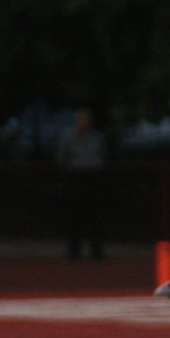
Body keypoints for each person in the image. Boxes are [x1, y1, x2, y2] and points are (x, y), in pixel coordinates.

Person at [56, 107, 107, 260]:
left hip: (93, 178)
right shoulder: (69, 137)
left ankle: (96, 251)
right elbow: (61, 158)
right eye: (80, 120)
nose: (83, 122)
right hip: (75, 178)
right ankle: (73, 252)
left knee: (95, 216)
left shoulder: (97, 137)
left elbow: (103, 156)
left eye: (85, 120)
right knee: (74, 216)